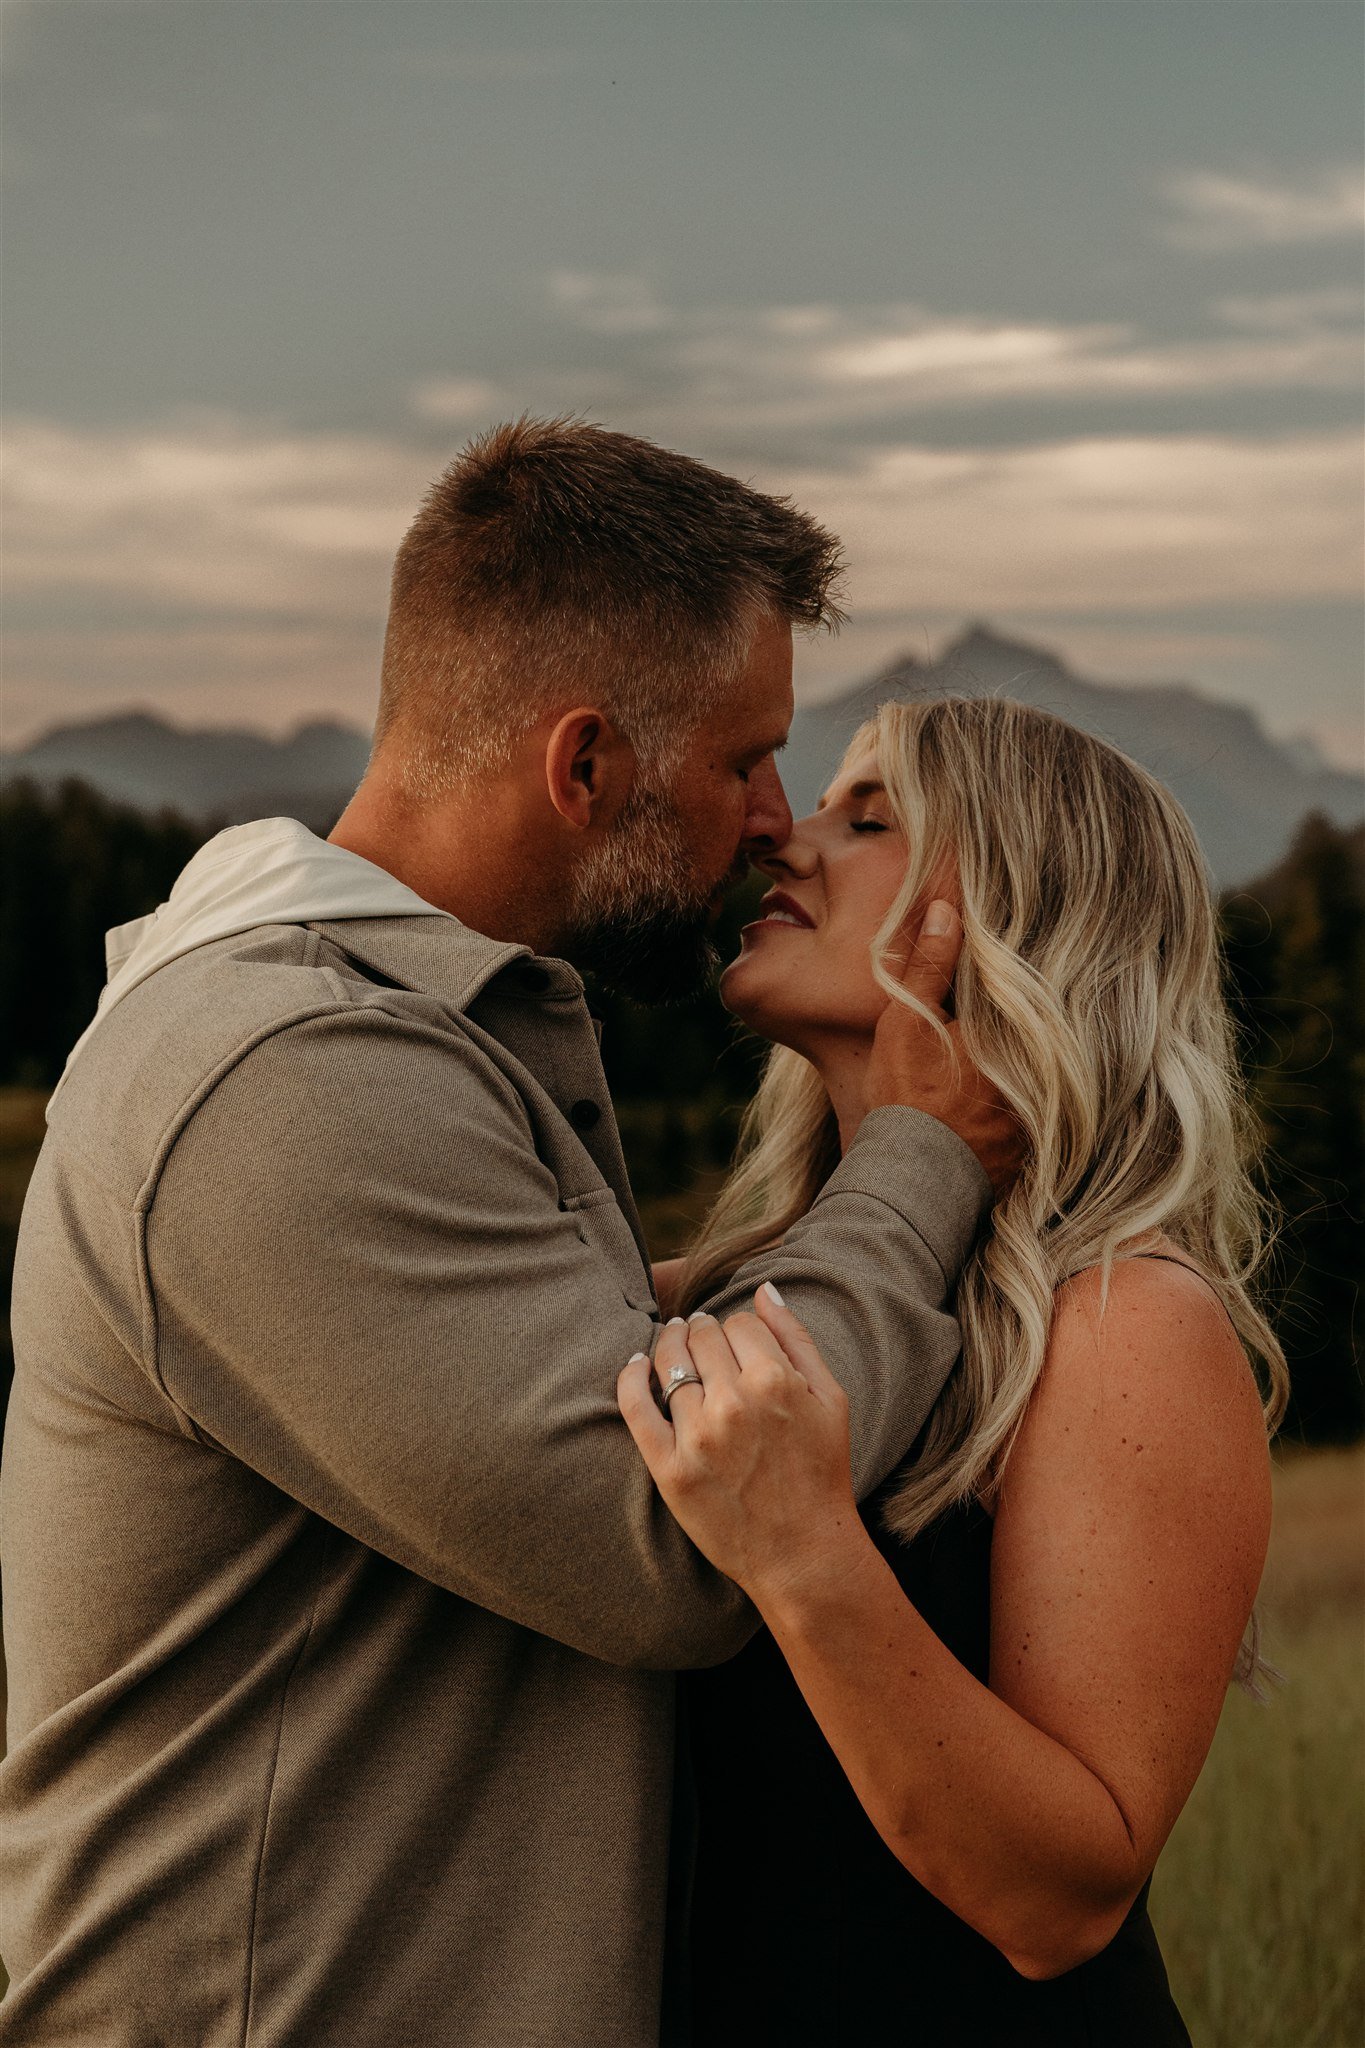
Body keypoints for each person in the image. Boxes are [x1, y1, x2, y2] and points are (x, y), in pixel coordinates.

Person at [0, 421, 1018, 2048]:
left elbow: (608, 1377)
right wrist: (922, 1153)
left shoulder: (421, 1040)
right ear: (586, 767)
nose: (772, 818)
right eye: (744, 759)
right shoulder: (283, 1083)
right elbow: (682, 1530)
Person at [619, 695, 1288, 2047]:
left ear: (1022, 923)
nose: (784, 842)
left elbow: (1063, 1901)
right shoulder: (728, 1296)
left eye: (867, 820)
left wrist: (804, 1554)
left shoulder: (1119, 1324)